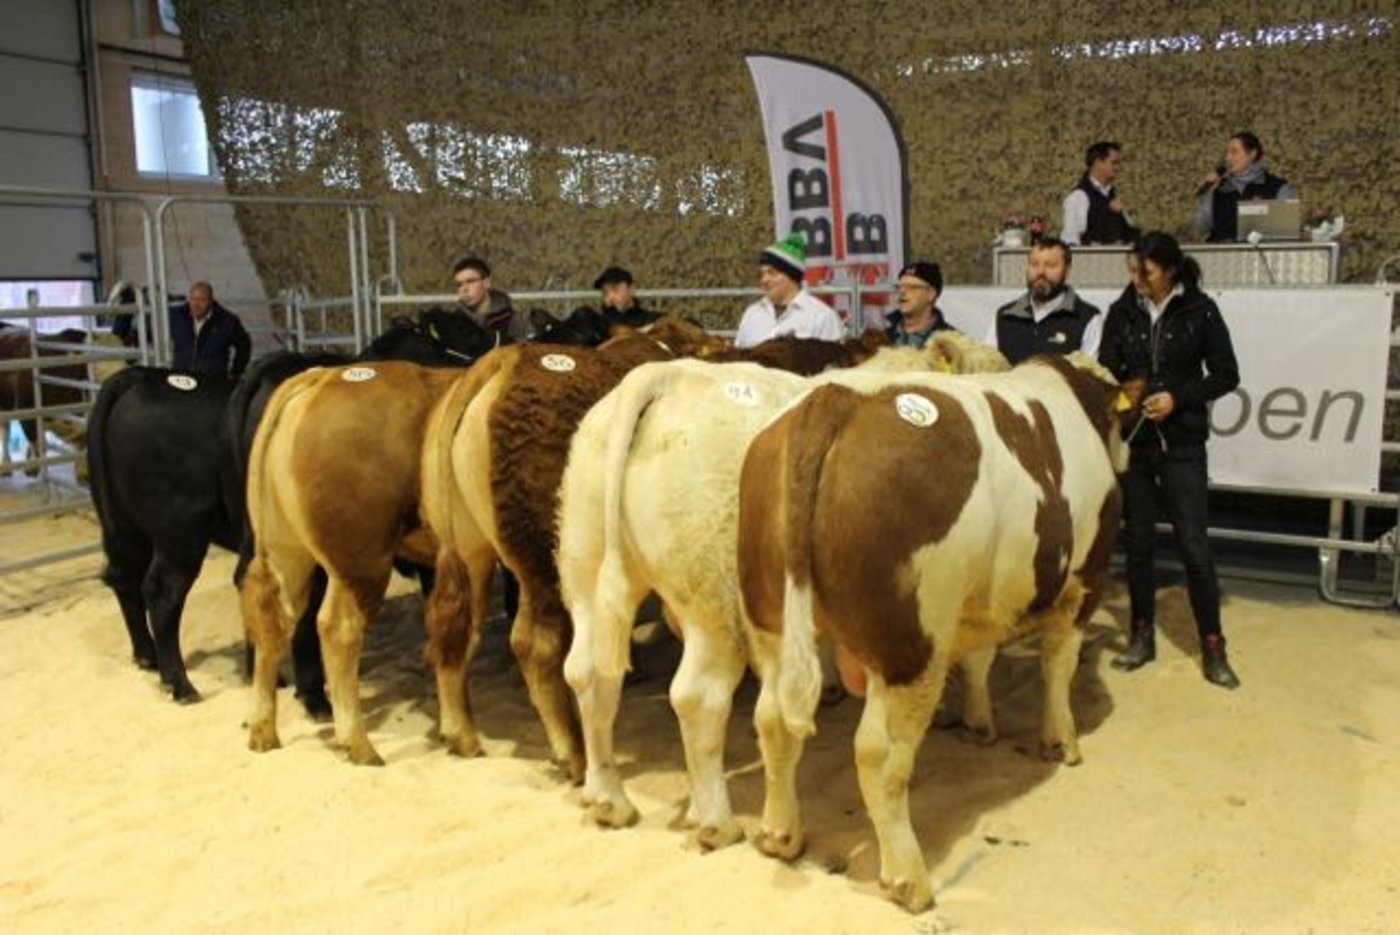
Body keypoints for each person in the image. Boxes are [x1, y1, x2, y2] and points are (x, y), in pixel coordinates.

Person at [1098, 231, 1241, 689]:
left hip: (1182, 445)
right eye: (1133, 269)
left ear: (1171, 270)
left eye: (1147, 270)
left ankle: (1213, 645)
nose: (1137, 278)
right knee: (1137, 544)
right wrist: (1129, 395)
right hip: (1137, 445)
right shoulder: (1122, 312)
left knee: (1193, 545)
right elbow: (1107, 369)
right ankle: (1142, 636)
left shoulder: (1200, 310)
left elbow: (1225, 374)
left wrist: (1178, 397)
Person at [985, 237, 1102, 364]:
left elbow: (1091, 378)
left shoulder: (1088, 318)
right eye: (1034, 264)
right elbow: (989, 367)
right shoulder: (1004, 316)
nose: (1040, 272)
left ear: (1067, 271)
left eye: (1050, 265)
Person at [733, 233, 844, 348]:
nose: (764, 279)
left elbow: (836, 363)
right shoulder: (752, 314)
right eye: (762, 274)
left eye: (772, 273)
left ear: (791, 275)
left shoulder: (822, 317)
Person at [1195, 131, 1298, 243]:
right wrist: (1208, 195)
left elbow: (1287, 231)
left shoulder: (1278, 187)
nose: (1227, 158)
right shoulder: (1220, 189)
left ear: (1252, 154)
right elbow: (1201, 229)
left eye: (1234, 152)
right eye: (1227, 153)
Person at [1062, 140, 1139, 246]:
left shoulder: (1111, 196)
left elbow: (1129, 235)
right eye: (1114, 162)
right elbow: (1071, 240)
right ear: (1098, 162)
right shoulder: (1079, 197)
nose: (1118, 168)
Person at [169, 281, 250, 379]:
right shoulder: (177, 316)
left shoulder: (227, 321)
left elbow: (244, 345)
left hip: (212, 383)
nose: (196, 305)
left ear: (211, 301)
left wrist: (236, 372)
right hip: (181, 379)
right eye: (193, 299)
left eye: (202, 300)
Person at [450, 255, 530, 342]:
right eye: (459, 285)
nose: (464, 289)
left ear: (486, 283)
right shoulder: (452, 323)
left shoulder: (510, 320)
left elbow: (521, 352)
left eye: (470, 281)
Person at [883, 260, 956, 349]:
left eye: (912, 287)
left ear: (931, 294)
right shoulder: (881, 339)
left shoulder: (952, 342)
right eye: (899, 287)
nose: (902, 292)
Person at [592, 265, 661, 328]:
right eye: (605, 293)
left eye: (616, 290)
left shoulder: (652, 320)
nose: (610, 297)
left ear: (631, 289)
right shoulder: (599, 326)